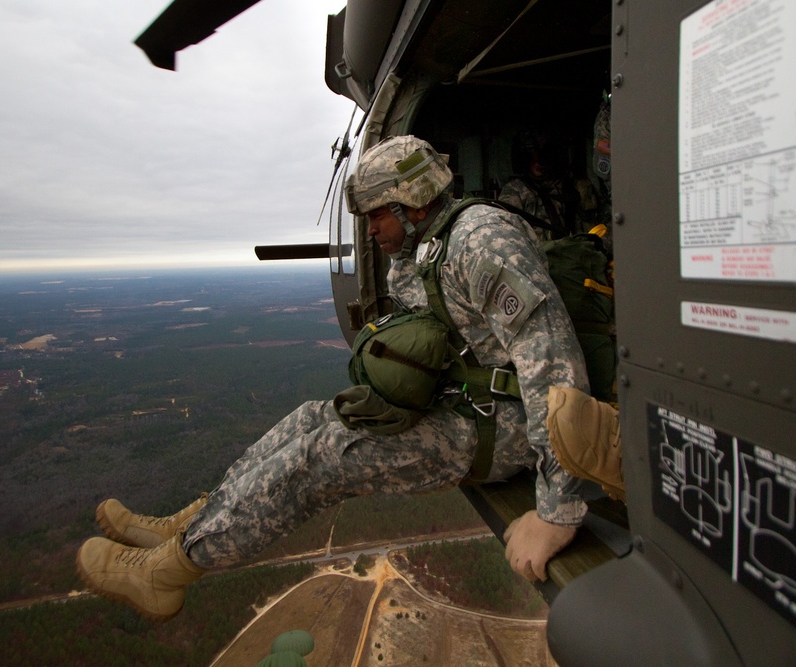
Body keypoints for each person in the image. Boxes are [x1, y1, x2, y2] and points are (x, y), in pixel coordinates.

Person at [76, 135, 593, 620]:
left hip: (504, 426)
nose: (369, 231)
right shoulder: (419, 254)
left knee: (319, 458)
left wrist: (556, 509)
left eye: (373, 216)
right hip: (460, 404)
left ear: (411, 204)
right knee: (310, 420)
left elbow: (554, 368)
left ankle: (169, 572)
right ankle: (189, 525)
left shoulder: (482, 242)